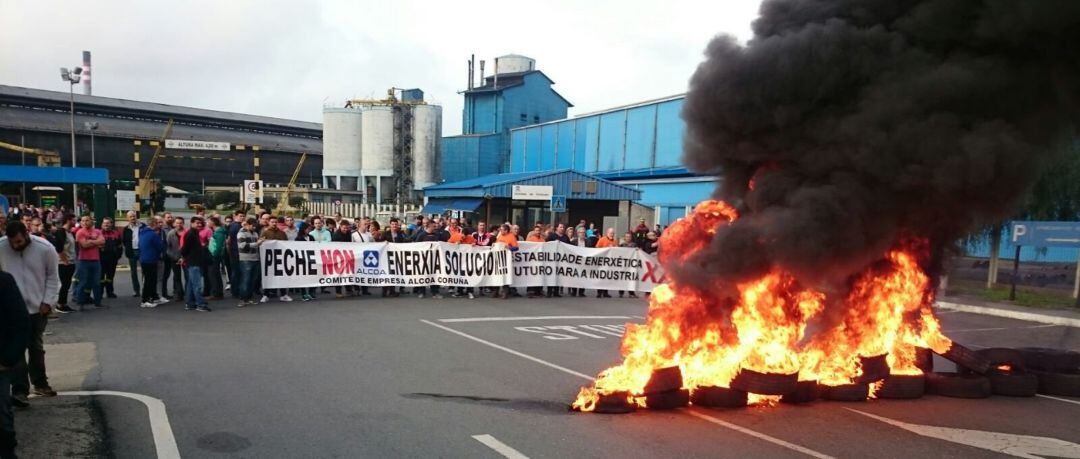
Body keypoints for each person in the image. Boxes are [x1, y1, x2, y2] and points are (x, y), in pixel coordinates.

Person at [0, 221, 60, 407]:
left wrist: (48, 301)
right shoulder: (1, 247)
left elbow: (52, 277)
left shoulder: (45, 248)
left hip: (37, 307)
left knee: (35, 346)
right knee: (16, 350)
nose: (15, 246)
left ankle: (40, 383)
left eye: (18, 241)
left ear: (26, 235)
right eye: (12, 243)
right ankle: (19, 390)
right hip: (12, 310)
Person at [0, 268, 30, 459]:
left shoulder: (3, 282)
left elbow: (21, 323)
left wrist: (7, 359)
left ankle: (7, 452)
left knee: (1, 416)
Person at [74, 215, 106, 308]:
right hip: (83, 260)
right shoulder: (80, 232)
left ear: (91, 221)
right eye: (83, 221)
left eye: (87, 220)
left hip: (96, 260)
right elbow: (84, 245)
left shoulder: (97, 231)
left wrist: (90, 241)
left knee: (96, 282)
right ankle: (80, 302)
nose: (84, 222)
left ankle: (98, 302)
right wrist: (96, 242)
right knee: (83, 282)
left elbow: (103, 241)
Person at [181, 217, 211, 312]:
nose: (199, 225)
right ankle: (200, 304)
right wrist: (185, 257)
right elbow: (184, 249)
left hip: (196, 262)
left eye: (201, 223)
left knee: (191, 284)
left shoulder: (195, 233)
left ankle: (190, 303)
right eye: (197, 223)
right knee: (197, 285)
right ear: (192, 223)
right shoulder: (190, 234)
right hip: (193, 263)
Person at [260, 216, 292, 302]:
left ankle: (283, 294)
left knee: (281, 276)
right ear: (269, 222)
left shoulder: (282, 233)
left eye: (275, 222)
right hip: (269, 259)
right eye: (272, 222)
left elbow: (286, 244)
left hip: (280, 258)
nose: (274, 224)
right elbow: (261, 244)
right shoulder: (265, 233)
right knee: (268, 276)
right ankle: (266, 294)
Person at [138, 217, 167, 308]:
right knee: (150, 280)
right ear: (153, 224)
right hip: (151, 259)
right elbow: (160, 246)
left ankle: (154, 297)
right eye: (156, 223)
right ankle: (145, 300)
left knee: (151, 279)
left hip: (144, 259)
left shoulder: (142, 233)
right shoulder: (153, 234)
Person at [51, 216, 77, 313]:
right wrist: (64, 260)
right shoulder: (61, 232)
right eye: (73, 220)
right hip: (64, 263)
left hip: (71, 261)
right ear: (68, 220)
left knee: (67, 283)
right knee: (65, 284)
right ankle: (60, 304)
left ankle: (64, 303)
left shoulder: (70, 233)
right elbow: (59, 247)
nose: (75, 222)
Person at [414, 220, 444, 298]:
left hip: (435, 259)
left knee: (435, 275)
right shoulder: (421, 235)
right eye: (434, 226)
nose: (435, 227)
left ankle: (435, 292)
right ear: (429, 226)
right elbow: (416, 246)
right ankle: (421, 292)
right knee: (423, 274)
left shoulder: (437, 235)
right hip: (423, 259)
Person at [235, 217, 260, 307]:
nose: (254, 228)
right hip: (246, 259)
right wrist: (257, 244)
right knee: (246, 279)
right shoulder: (241, 233)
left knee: (252, 280)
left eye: (255, 226)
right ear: (248, 225)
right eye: (253, 226)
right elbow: (242, 246)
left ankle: (249, 297)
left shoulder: (256, 233)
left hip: (255, 258)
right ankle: (242, 298)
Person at [122, 210, 145, 297]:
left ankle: (145, 289)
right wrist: (128, 249)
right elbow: (124, 241)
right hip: (131, 252)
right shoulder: (126, 229)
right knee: (133, 272)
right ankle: (136, 290)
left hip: (142, 251)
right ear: (127, 218)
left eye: (134, 216)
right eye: (130, 216)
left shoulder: (143, 226)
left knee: (144, 271)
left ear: (136, 216)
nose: (132, 218)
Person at [494, 224, 519, 299]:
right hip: (499, 258)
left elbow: (516, 248)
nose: (500, 231)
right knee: (497, 274)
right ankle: (496, 291)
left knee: (505, 275)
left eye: (502, 230)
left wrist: (509, 248)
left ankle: (505, 292)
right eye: (500, 230)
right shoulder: (500, 236)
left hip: (507, 259)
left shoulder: (511, 237)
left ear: (506, 230)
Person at [100, 218, 123, 299]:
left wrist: (118, 256)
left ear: (111, 224)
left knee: (110, 276)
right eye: (104, 223)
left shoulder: (116, 233)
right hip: (101, 259)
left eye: (108, 223)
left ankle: (110, 292)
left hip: (112, 259)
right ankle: (100, 293)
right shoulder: (98, 233)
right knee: (101, 277)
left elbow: (120, 246)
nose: (106, 225)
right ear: (102, 224)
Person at [163, 217, 185, 300]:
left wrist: (183, 257)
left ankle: (189, 293)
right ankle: (179, 294)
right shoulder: (171, 233)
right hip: (174, 258)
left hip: (185, 258)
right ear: (174, 224)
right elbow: (167, 247)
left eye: (180, 223)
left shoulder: (186, 233)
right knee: (177, 277)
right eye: (177, 223)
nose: (179, 224)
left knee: (188, 276)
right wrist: (174, 257)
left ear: (183, 223)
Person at [225, 211, 245, 299]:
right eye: (240, 216)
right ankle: (235, 290)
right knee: (236, 272)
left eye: (243, 216)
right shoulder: (236, 226)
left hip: (236, 251)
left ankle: (236, 290)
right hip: (235, 251)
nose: (242, 217)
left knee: (237, 272)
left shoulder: (234, 225)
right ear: (235, 216)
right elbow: (229, 240)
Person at [206, 217, 227, 300]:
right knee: (215, 274)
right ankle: (217, 292)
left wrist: (214, 254)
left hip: (214, 256)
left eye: (208, 222)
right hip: (215, 255)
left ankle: (216, 293)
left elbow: (218, 246)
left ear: (213, 223)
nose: (207, 223)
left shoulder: (219, 233)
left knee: (213, 274)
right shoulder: (218, 232)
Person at [594, 228, 617, 298]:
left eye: (613, 233)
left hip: (610, 262)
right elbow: (597, 248)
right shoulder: (602, 239)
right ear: (607, 233)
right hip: (602, 261)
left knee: (607, 277)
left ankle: (605, 292)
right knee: (601, 276)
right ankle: (599, 292)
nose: (612, 235)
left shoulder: (615, 241)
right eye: (610, 233)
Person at [619, 232, 639, 298]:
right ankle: (621, 292)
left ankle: (631, 293)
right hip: (623, 264)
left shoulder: (634, 245)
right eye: (626, 237)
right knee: (622, 278)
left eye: (629, 237)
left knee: (631, 278)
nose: (628, 238)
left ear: (631, 238)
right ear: (625, 237)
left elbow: (639, 252)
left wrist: (638, 250)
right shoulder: (622, 245)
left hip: (631, 265)